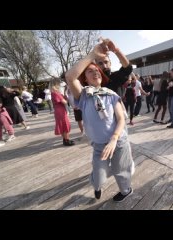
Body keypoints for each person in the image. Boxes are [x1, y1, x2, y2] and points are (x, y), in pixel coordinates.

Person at [65, 42, 134, 202]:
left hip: (118, 140)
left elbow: (121, 118)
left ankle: (126, 190)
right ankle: (97, 186)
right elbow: (70, 77)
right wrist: (91, 55)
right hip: (99, 145)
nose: (95, 71)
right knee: (99, 176)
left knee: (120, 170)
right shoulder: (83, 96)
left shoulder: (110, 93)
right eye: (90, 71)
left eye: (97, 70)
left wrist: (114, 139)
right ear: (85, 78)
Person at [50, 78, 75, 146]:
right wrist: (66, 98)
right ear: (56, 84)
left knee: (62, 125)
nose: (60, 85)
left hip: (58, 110)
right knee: (65, 125)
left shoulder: (54, 92)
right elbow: (64, 102)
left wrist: (65, 92)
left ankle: (65, 139)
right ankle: (66, 140)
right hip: (60, 110)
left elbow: (63, 99)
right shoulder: (55, 93)